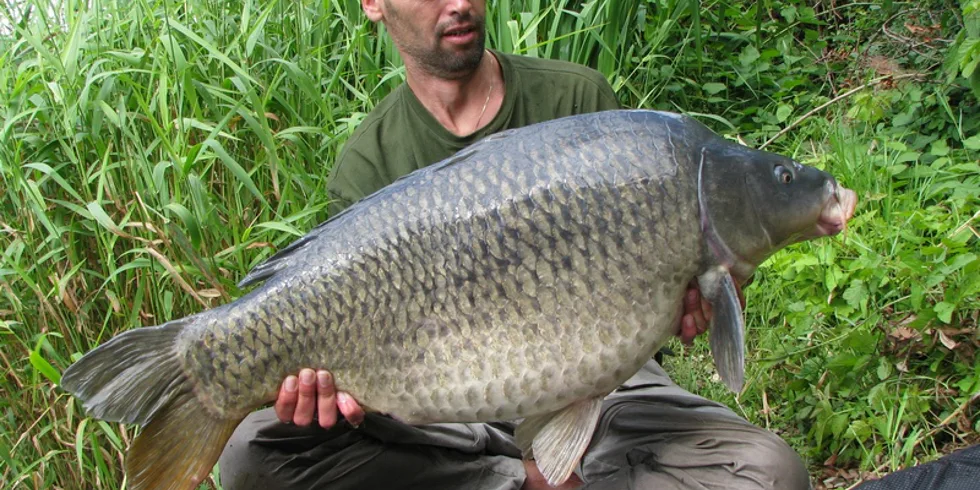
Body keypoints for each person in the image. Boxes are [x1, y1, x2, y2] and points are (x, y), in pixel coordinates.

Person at [218, 0, 811, 488]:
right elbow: (369, 385)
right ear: (373, 5)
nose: (459, 5)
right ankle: (531, 480)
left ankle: (535, 475)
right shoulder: (368, 163)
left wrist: (702, 294)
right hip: (443, 408)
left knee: (771, 474)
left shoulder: (578, 102)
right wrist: (327, 396)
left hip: (606, 389)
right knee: (249, 451)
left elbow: (683, 288)